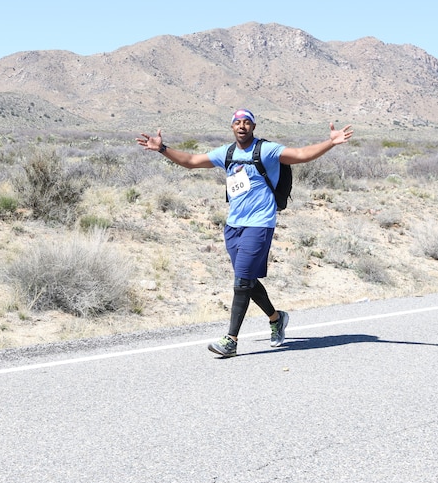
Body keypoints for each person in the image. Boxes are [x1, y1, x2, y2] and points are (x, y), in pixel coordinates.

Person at [137, 109, 353, 358]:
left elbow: (301, 155)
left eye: (247, 122)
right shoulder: (226, 154)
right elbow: (191, 161)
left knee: (241, 282)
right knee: (246, 281)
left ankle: (231, 340)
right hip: (233, 225)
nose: (242, 126)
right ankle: (276, 318)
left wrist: (331, 142)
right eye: (237, 123)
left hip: (260, 223)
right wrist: (163, 149)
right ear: (232, 127)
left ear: (253, 126)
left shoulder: (267, 150)